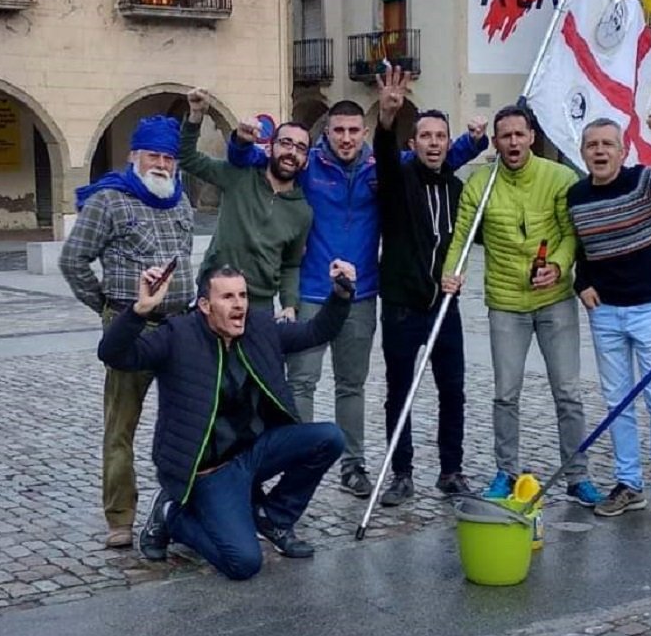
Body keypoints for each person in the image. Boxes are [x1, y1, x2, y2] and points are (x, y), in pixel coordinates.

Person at [228, 98, 485, 500]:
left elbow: (434, 156)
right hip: (313, 291)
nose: (346, 138)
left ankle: (353, 466)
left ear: (364, 133)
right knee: (302, 383)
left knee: (352, 385)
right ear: (326, 133)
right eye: (338, 130)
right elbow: (252, 160)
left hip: (362, 294)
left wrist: (474, 142)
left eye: (353, 130)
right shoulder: (309, 164)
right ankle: (297, 461)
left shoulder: (380, 167)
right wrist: (238, 142)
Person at [99, 259, 355, 578]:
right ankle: (170, 515)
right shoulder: (177, 335)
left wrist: (341, 295)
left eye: (243, 296)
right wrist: (140, 310)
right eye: (228, 297)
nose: (239, 305)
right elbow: (113, 354)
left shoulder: (259, 328)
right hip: (209, 471)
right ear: (205, 305)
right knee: (243, 563)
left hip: (254, 453)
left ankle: (272, 517)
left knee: (329, 438)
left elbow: (316, 331)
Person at [442, 105, 599, 505]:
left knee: (567, 392)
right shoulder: (481, 183)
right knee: (505, 393)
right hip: (507, 303)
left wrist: (560, 266)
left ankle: (577, 475)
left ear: (532, 136)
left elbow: (570, 234)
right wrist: (450, 272)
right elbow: (461, 235)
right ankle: (506, 471)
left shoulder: (559, 177)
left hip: (554, 301)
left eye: (519, 134)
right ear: (495, 142)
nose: (513, 142)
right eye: (505, 136)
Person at [60, 115, 194, 549]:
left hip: (178, 326)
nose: (161, 164)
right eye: (153, 155)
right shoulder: (109, 201)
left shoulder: (179, 199)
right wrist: (104, 305)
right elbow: (74, 259)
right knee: (121, 428)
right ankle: (120, 517)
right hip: (131, 326)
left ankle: (186, 506)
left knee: (187, 422)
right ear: (134, 156)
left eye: (168, 157)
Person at [568, 111, 651, 531]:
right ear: (583, 152)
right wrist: (581, 281)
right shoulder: (577, 196)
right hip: (605, 313)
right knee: (618, 404)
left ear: (623, 150)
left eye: (608, 144)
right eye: (593, 145)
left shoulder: (645, 183)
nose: (600, 151)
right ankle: (628, 484)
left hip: (649, 310)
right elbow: (578, 244)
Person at [371, 66, 475, 505]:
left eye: (440, 136)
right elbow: (384, 153)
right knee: (401, 391)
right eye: (426, 136)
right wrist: (386, 118)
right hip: (401, 307)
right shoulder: (398, 180)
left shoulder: (457, 188)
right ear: (413, 144)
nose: (433, 143)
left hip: (444, 307)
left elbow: (470, 236)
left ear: (448, 144)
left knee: (453, 390)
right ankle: (402, 472)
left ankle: (451, 470)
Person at [178, 90, 311, 315]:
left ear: (306, 161)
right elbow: (187, 158)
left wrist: (289, 305)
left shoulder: (302, 212)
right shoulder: (239, 175)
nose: (291, 152)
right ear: (270, 148)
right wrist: (196, 115)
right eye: (286, 143)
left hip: (259, 305)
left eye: (300, 148)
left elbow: (291, 264)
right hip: (213, 293)